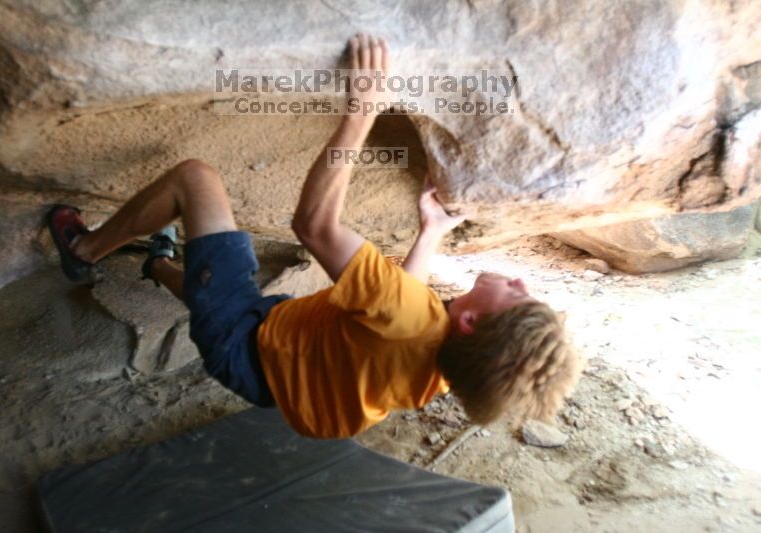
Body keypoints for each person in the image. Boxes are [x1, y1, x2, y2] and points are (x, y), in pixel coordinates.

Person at [47, 34, 581, 438]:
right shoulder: (451, 369)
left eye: (518, 295)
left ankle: (83, 250)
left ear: (470, 321)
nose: (517, 279)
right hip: (281, 379)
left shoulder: (414, 318)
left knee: (195, 179)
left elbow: (314, 226)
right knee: (223, 293)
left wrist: (361, 113)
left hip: (246, 344)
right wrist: (430, 232)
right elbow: (399, 312)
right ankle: (158, 262)